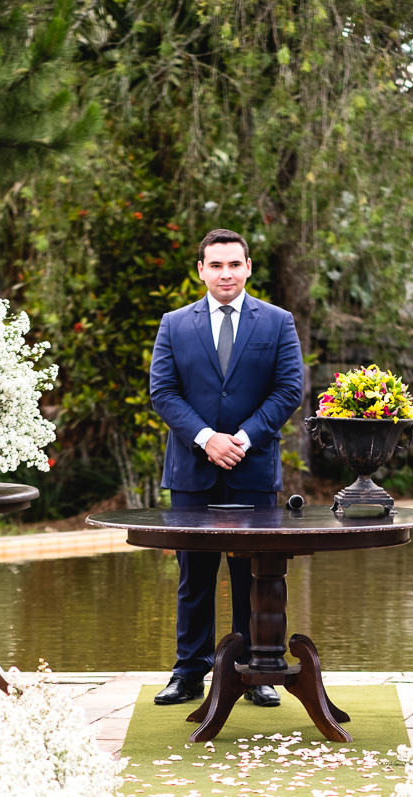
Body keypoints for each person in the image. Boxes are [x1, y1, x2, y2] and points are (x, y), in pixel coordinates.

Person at [148, 228, 304, 706]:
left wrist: (243, 437)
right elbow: (163, 392)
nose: (225, 273)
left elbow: (289, 388)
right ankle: (188, 672)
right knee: (194, 576)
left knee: (252, 576)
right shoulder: (174, 324)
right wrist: (206, 439)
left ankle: (254, 673)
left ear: (249, 267)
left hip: (252, 469)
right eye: (215, 265)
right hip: (192, 473)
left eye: (234, 264)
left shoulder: (277, 322)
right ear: (201, 270)